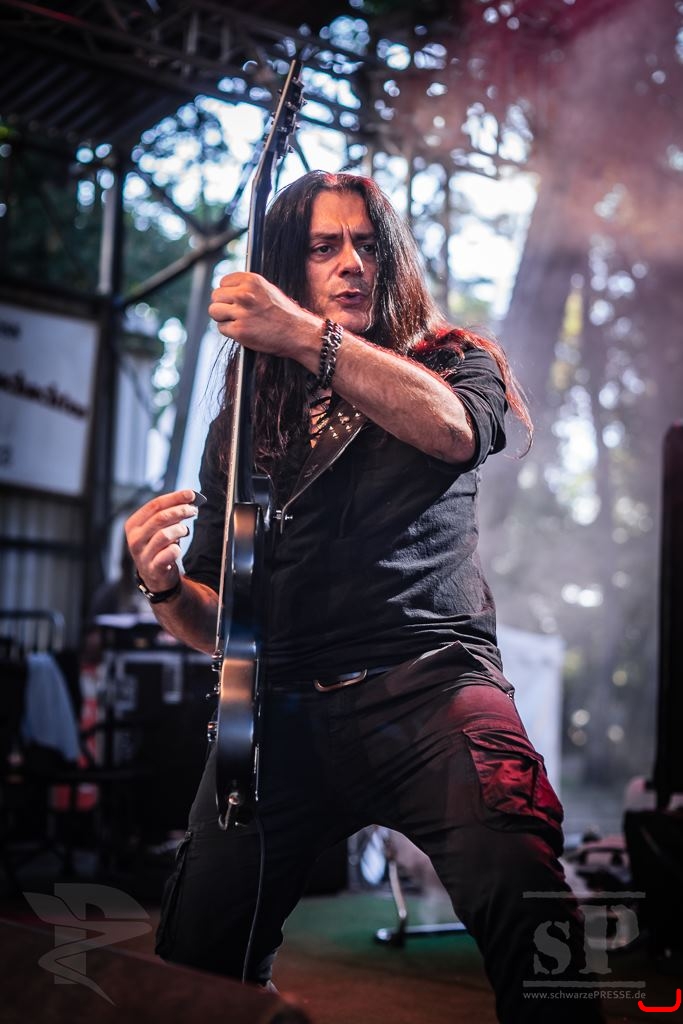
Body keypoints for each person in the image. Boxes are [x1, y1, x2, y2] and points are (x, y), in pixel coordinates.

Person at [125, 170, 604, 1022]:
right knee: (194, 963)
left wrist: (306, 335)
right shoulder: (243, 421)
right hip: (278, 714)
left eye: (367, 243)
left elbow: (453, 430)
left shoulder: (450, 361)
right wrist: (159, 585)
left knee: (524, 895)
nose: (351, 262)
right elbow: (219, 621)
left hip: (430, 690)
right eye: (324, 247)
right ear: (288, 264)